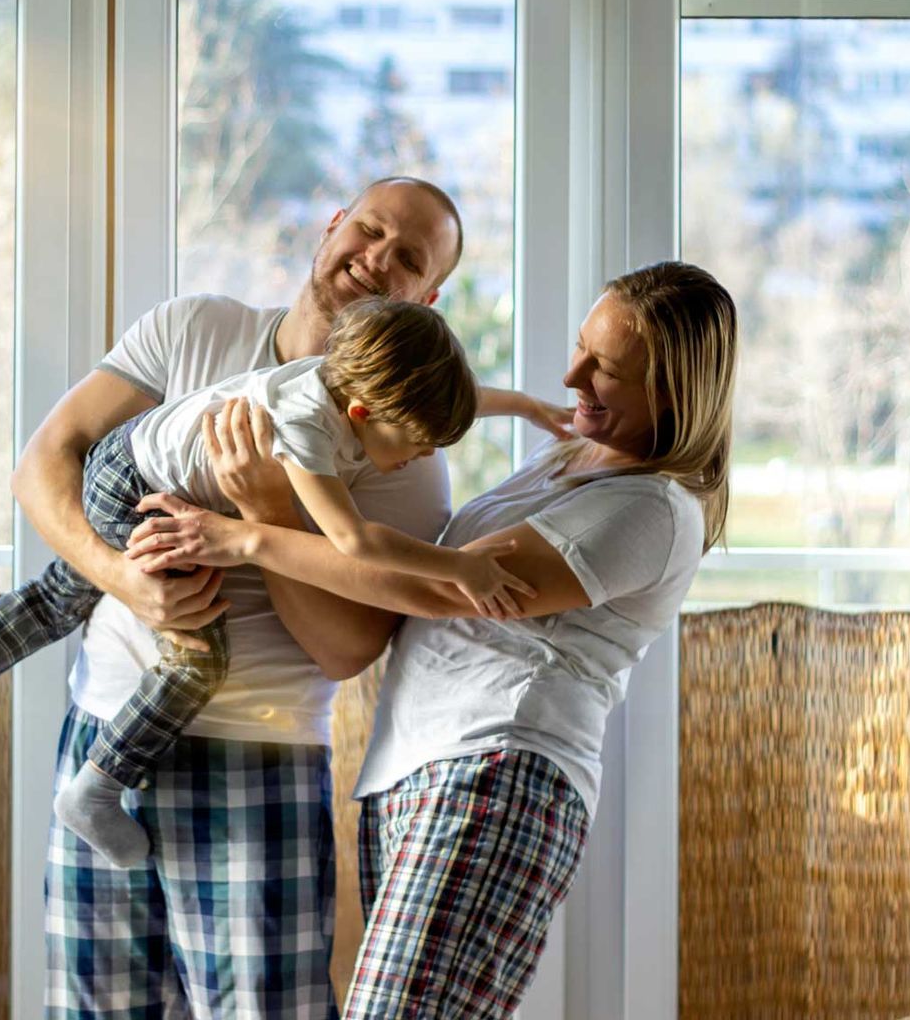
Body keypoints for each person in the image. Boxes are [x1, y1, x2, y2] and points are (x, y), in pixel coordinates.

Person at [0, 176, 567, 1020]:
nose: (375, 258)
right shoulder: (196, 328)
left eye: (408, 257)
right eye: (371, 230)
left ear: (427, 298)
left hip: (256, 763)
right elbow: (44, 463)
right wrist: (125, 578)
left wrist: (267, 511)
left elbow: (348, 650)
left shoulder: (409, 451)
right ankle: (27, 742)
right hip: (101, 723)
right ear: (334, 225)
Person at [123, 260, 738, 1019]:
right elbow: (430, 410)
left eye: (605, 368)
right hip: (417, 769)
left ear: (674, 393)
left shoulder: (649, 508)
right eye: (582, 346)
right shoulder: (569, 461)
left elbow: (441, 588)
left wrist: (247, 534)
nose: (573, 372)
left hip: (499, 769)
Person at [0, 297, 539, 869]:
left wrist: (529, 408)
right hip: (140, 487)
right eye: (418, 446)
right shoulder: (304, 429)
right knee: (196, 660)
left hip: (129, 460)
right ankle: (96, 791)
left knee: (58, 595)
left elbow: (448, 401)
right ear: (363, 415)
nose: (421, 460)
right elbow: (355, 543)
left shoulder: (342, 381)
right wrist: (460, 566)